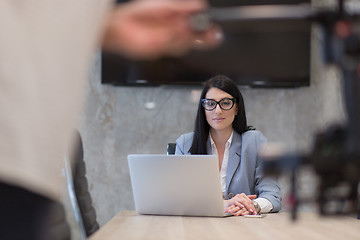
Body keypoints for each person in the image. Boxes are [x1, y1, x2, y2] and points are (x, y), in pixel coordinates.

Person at [0, 0, 221, 239]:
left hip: (29, 157)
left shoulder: (251, 142)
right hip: (10, 147)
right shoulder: (186, 141)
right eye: (210, 103)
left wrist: (107, 27)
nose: (217, 110)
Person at [175, 74, 281, 216]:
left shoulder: (255, 141)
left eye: (225, 103)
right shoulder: (185, 144)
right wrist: (225, 204)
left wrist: (252, 206)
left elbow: (272, 196)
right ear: (203, 109)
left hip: (243, 225)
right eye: (210, 103)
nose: (218, 110)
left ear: (236, 108)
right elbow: (178, 198)